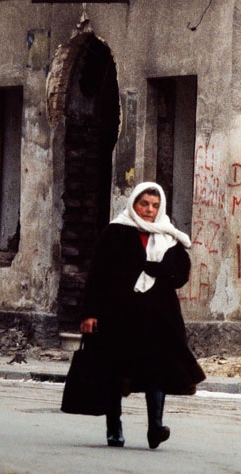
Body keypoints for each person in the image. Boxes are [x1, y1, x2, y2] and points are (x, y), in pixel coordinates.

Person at [79, 182, 206, 449]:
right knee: (115, 370)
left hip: (158, 315)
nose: (149, 210)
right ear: (134, 204)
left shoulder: (169, 236)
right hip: (118, 314)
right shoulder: (115, 232)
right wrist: (90, 313)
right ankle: (114, 428)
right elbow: (97, 276)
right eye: (144, 204)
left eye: (155, 206)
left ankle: (155, 428)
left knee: (157, 369)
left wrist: (159, 269)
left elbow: (180, 276)